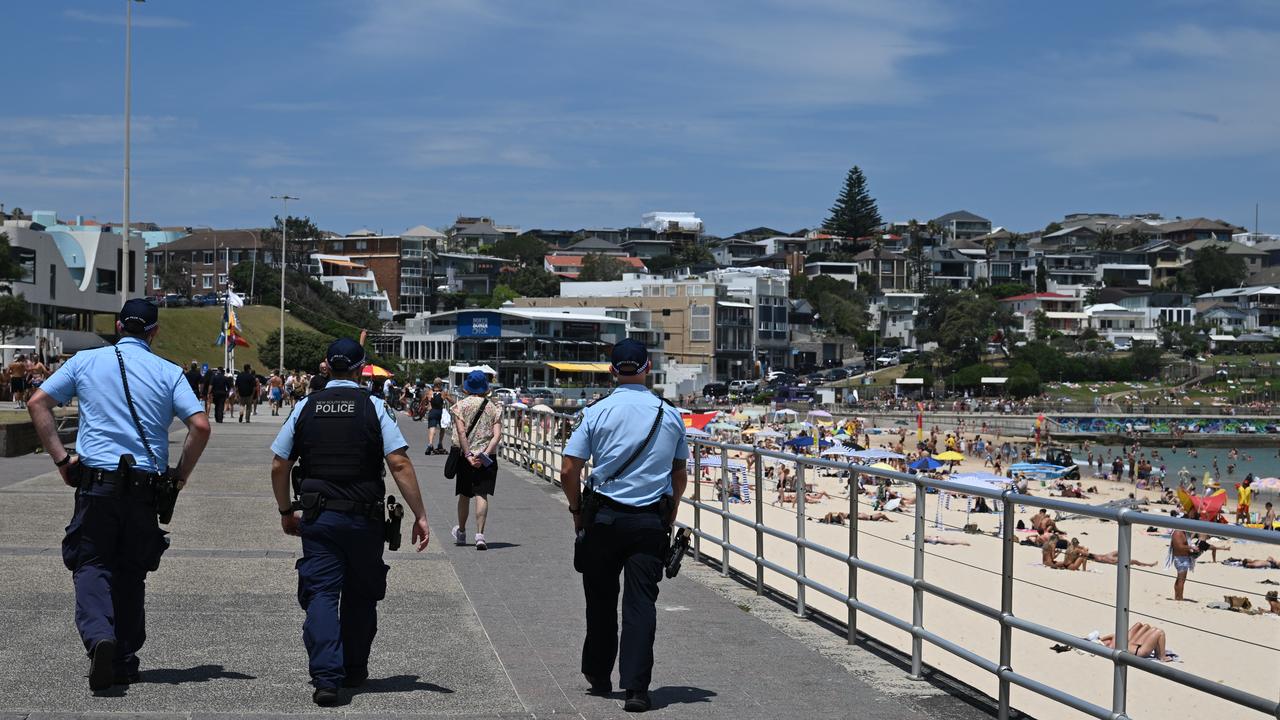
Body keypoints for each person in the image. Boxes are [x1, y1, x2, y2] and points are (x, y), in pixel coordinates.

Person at [26, 299, 210, 690]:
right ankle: (124, 659)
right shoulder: (169, 372)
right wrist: (179, 476)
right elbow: (200, 426)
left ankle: (99, 637)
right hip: (144, 488)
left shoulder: (85, 361)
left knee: (91, 562)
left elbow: (37, 402)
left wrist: (61, 459)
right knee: (132, 571)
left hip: (97, 484)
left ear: (118, 326)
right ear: (154, 332)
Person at [269, 338, 430, 706]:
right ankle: (354, 669)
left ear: (327, 365)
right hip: (363, 518)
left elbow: (280, 463)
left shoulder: (306, 406)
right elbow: (399, 462)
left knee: (322, 595)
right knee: (361, 595)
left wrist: (285, 511)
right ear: (360, 369)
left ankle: (327, 678)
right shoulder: (375, 406)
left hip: (319, 517)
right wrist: (420, 515)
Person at [560, 339, 689, 712]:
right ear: (648, 368)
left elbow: (569, 469)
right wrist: (671, 511)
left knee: (600, 600)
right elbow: (679, 474)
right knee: (641, 605)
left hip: (603, 518)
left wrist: (576, 510)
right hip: (650, 520)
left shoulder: (596, 411)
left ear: (612, 370)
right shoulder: (670, 414)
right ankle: (636, 689)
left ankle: (599, 674)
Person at [449, 370, 503, 550]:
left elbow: (461, 433)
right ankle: (480, 536)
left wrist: (468, 455)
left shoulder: (460, 406)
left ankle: (462, 532)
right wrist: (484, 454)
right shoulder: (493, 407)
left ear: (467, 388)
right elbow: (497, 436)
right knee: (482, 494)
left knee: (464, 495)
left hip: (466, 457)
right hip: (487, 458)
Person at [1170, 508, 1199, 601]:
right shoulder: (1178, 533)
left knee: (1180, 578)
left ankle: (1177, 596)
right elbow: (1179, 547)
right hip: (1181, 559)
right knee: (1182, 580)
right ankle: (1180, 598)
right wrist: (1191, 547)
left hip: (1182, 558)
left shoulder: (1183, 532)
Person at [425, 381, 448, 454]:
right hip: (440, 412)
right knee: (442, 427)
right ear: (439, 384)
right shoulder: (443, 392)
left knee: (432, 427)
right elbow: (450, 400)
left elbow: (424, 399)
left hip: (433, 411)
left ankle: (430, 444)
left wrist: (424, 405)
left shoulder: (430, 392)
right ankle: (440, 443)